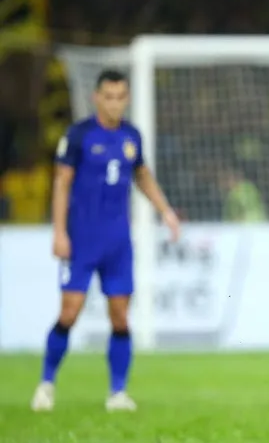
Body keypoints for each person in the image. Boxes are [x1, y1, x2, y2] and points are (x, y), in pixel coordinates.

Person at [31, 70, 181, 412]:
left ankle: (117, 393)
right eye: (109, 97)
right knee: (69, 313)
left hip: (117, 243)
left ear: (127, 98)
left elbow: (142, 176)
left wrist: (166, 212)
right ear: (96, 98)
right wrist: (59, 231)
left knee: (120, 318)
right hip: (81, 240)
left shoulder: (131, 136)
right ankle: (46, 384)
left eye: (120, 97)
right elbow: (62, 183)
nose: (115, 103)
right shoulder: (79, 135)